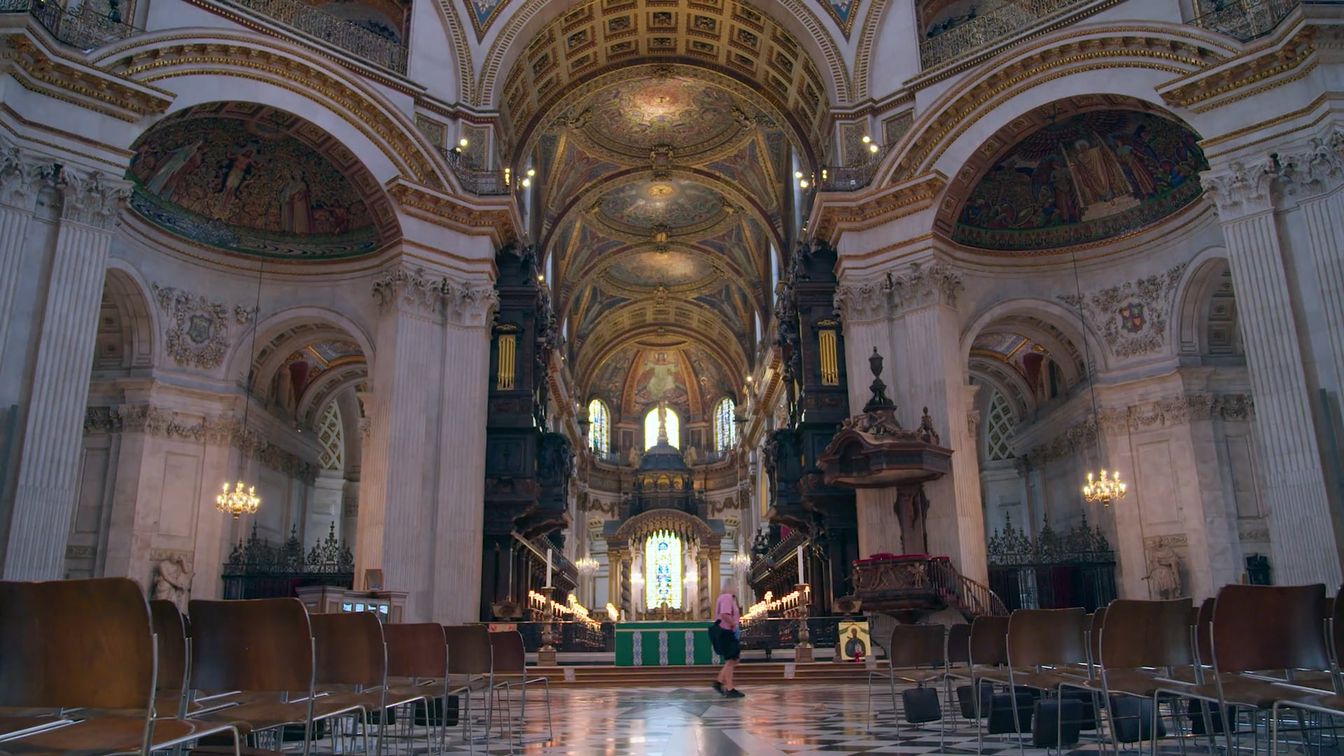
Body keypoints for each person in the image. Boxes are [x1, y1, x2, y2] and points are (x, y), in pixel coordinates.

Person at [710, 581, 744, 698]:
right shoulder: (727, 597)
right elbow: (725, 614)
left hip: (726, 631)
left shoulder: (724, 597)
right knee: (731, 660)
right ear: (730, 587)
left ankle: (720, 683)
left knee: (732, 659)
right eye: (735, 586)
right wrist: (734, 625)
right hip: (727, 631)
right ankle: (728, 688)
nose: (737, 588)